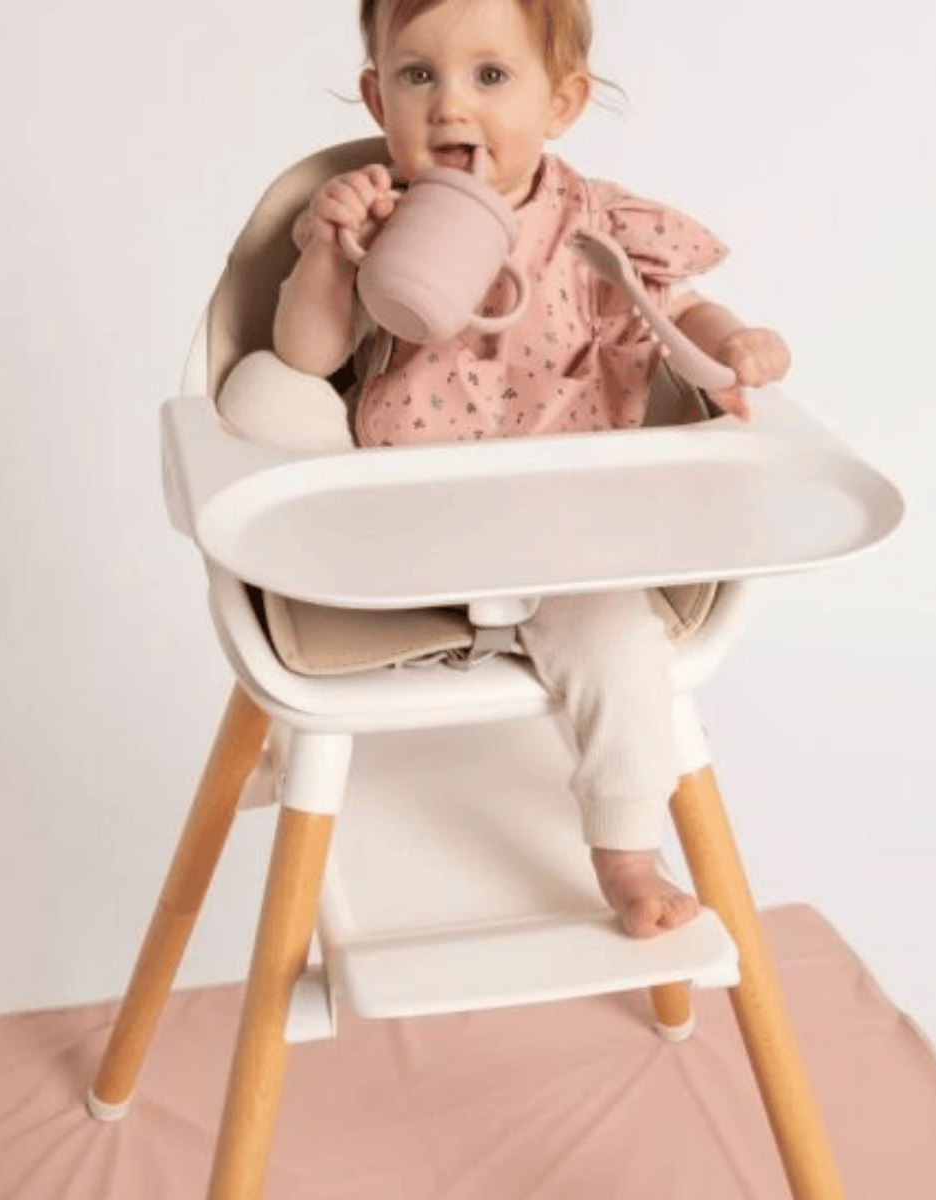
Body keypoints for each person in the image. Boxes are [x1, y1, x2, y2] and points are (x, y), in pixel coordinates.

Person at [270, 0, 791, 937]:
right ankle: (284, 744)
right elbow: (303, 360)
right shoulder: (373, 213)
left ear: (564, 102)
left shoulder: (597, 223)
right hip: (406, 525)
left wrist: (736, 344)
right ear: (374, 96)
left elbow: (677, 309)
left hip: (569, 533)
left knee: (624, 657)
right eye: (417, 75)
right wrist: (323, 252)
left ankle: (627, 854)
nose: (449, 108)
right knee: (276, 479)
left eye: (491, 76)